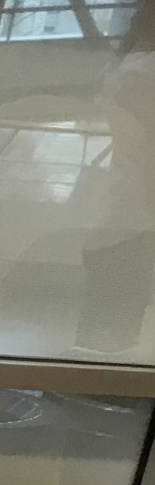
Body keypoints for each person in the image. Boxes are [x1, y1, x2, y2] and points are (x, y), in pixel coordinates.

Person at [76, 0, 155, 356]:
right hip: (133, 214)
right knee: (113, 326)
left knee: (108, 319)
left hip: (123, 209)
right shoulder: (139, 73)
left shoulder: (126, 71)